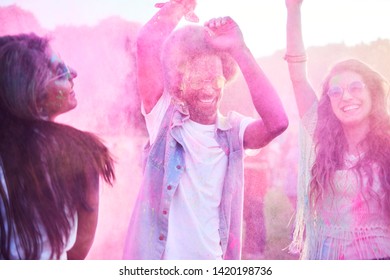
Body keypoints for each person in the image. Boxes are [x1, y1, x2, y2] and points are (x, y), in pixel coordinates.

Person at [123, 0, 288, 260]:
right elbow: (146, 43)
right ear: (178, 82)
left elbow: (277, 122)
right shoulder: (163, 117)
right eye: (198, 79)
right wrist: (179, 6)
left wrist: (240, 49)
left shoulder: (233, 131)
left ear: (226, 78)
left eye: (215, 79)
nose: (209, 88)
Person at [285, 0, 390, 259]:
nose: (346, 97)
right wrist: (293, 9)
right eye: (336, 91)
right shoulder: (323, 136)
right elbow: (298, 76)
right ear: (329, 101)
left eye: (355, 88)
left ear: (372, 93)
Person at [0, 33, 115, 259]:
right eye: (60, 72)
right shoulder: (81, 152)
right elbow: (78, 251)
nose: (73, 73)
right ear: (34, 96)